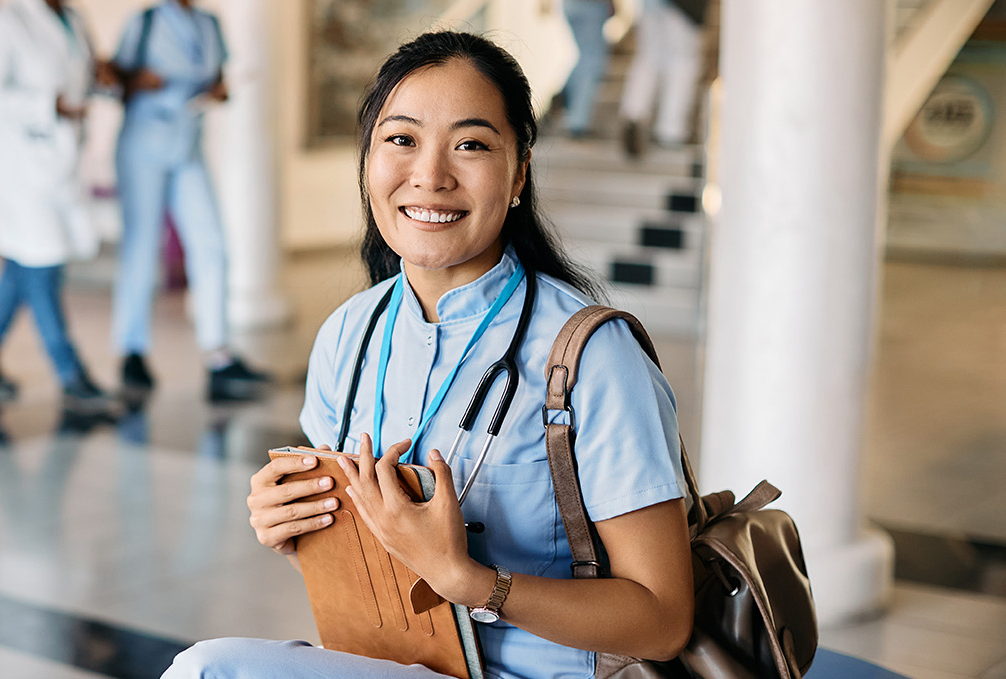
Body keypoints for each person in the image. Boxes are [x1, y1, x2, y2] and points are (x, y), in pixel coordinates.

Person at [163, 31, 694, 679]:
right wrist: (291, 523)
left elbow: (663, 622)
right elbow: (358, 552)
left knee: (209, 670)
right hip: (387, 658)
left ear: (519, 172)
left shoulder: (590, 356)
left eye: (470, 144)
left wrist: (468, 580)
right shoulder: (348, 335)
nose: (431, 176)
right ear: (367, 161)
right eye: (401, 139)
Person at [109, 0, 270, 402]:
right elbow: (114, 80)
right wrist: (137, 81)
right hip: (143, 145)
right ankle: (132, 352)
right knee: (141, 248)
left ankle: (218, 357)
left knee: (212, 244)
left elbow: (217, 78)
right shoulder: (144, 22)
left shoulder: (209, 24)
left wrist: (218, 91)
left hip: (187, 145)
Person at [0, 0, 111, 403]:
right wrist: (49, 104)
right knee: (42, 265)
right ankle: (70, 373)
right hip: (19, 169)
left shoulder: (73, 19)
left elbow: (81, 78)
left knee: (20, 262)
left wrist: (102, 76)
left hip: (60, 163)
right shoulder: (1, 23)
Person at [617, 0, 708, 157]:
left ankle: (634, 113)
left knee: (648, 58)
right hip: (682, 8)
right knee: (682, 62)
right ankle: (671, 130)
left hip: (651, 5)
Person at [552, 0, 614, 138]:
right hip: (592, 5)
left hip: (570, 5)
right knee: (592, 60)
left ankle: (565, 94)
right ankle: (578, 122)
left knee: (585, 57)